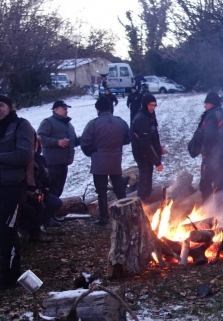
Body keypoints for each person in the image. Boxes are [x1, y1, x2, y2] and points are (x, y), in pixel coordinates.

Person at [0, 94, 36, 291]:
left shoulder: (21, 126)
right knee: (0, 231)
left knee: (8, 231)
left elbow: (25, 155)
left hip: (14, 186)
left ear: (10, 107)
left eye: (1, 105)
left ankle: (10, 276)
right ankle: (6, 272)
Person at [81, 96, 130, 224]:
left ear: (98, 109)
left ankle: (104, 217)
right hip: (115, 160)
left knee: (101, 191)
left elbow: (85, 143)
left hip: (99, 162)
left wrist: (92, 152)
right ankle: (126, 214)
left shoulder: (93, 124)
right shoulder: (120, 122)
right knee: (119, 189)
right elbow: (127, 139)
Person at [188, 92, 223, 203]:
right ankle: (219, 209)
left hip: (211, 157)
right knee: (219, 182)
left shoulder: (212, 116)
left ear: (212, 103)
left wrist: (205, 153)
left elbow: (208, 137)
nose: (205, 106)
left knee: (205, 184)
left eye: (206, 103)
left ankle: (206, 210)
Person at [36, 100, 77, 200]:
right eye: (64, 108)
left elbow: (74, 141)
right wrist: (57, 142)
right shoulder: (48, 122)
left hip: (64, 163)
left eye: (66, 109)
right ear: (55, 110)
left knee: (59, 190)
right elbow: (40, 138)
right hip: (52, 164)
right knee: (50, 190)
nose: (66, 111)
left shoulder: (69, 125)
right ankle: (47, 213)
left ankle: (53, 212)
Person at [20, 139, 60, 242]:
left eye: (36, 143)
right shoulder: (24, 160)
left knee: (55, 202)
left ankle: (39, 226)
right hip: (26, 192)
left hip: (41, 190)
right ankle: (29, 229)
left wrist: (45, 188)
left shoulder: (40, 159)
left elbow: (45, 177)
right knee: (36, 205)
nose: (35, 146)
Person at [131, 94, 166, 201]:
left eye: (154, 106)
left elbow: (151, 137)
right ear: (145, 105)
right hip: (144, 156)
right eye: (150, 105)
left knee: (147, 184)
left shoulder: (148, 116)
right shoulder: (142, 119)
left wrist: (158, 149)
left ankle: (144, 206)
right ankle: (140, 207)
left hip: (146, 156)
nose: (152, 108)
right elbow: (145, 143)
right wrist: (157, 162)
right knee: (144, 185)